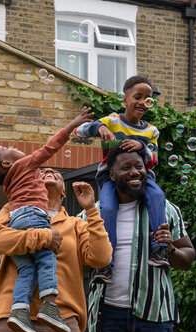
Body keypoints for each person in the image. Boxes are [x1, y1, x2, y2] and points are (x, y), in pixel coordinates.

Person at [0, 107, 93, 332]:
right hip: (33, 217)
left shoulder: (12, 185)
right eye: (7, 148)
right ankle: (49, 306)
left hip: (19, 219)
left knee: (26, 270)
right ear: (8, 163)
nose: (13, 146)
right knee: (47, 259)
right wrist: (74, 123)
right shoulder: (24, 166)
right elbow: (50, 147)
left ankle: (19, 311)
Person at [0, 168, 112, 332]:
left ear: (63, 193)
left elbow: (100, 258)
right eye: (41, 172)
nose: (49, 170)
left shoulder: (76, 224)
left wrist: (91, 210)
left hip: (64, 323)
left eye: (55, 172)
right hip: (14, 321)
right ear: (32, 185)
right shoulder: (13, 210)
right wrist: (44, 236)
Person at [81, 146, 196, 332]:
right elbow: (78, 262)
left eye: (139, 166)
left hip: (154, 314)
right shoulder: (91, 214)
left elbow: (188, 258)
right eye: (126, 168)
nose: (135, 172)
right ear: (112, 175)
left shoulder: (166, 210)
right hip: (106, 317)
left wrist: (170, 248)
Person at [75, 75, 169, 284]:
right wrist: (99, 127)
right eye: (138, 97)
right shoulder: (113, 121)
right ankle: (106, 262)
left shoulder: (151, 131)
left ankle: (159, 250)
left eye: (148, 98)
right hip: (110, 179)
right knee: (107, 208)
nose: (143, 102)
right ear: (124, 100)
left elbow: (154, 159)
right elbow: (78, 131)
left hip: (143, 179)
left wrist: (142, 147)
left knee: (157, 196)